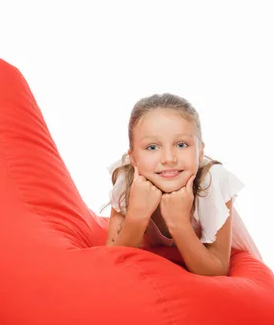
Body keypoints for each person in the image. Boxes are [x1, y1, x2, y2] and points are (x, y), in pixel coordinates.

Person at [106, 93, 262, 275]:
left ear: (200, 151)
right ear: (133, 158)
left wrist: (179, 223)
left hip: (225, 265)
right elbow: (113, 262)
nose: (169, 159)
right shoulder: (127, 178)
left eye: (181, 145)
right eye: (152, 147)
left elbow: (217, 270)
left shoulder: (212, 182)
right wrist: (137, 215)